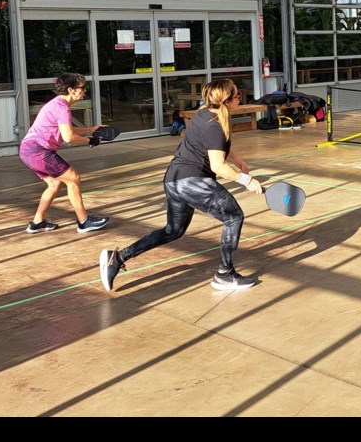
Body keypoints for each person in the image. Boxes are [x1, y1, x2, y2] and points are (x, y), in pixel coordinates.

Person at [99, 78, 263, 292]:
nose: (240, 97)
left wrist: (237, 159)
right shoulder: (214, 125)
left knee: (173, 230)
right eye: (237, 94)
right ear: (227, 100)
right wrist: (247, 181)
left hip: (174, 180)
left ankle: (118, 257)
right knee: (233, 216)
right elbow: (217, 166)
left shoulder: (204, 114)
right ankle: (224, 274)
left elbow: (213, 145)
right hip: (192, 181)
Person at [18, 73, 111, 234]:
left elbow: (66, 129)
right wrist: (89, 141)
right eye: (82, 87)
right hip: (38, 151)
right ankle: (84, 222)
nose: (85, 91)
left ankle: (37, 222)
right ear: (71, 90)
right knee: (73, 178)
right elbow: (69, 137)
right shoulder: (61, 107)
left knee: (54, 184)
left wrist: (92, 129)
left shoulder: (58, 105)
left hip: (28, 151)